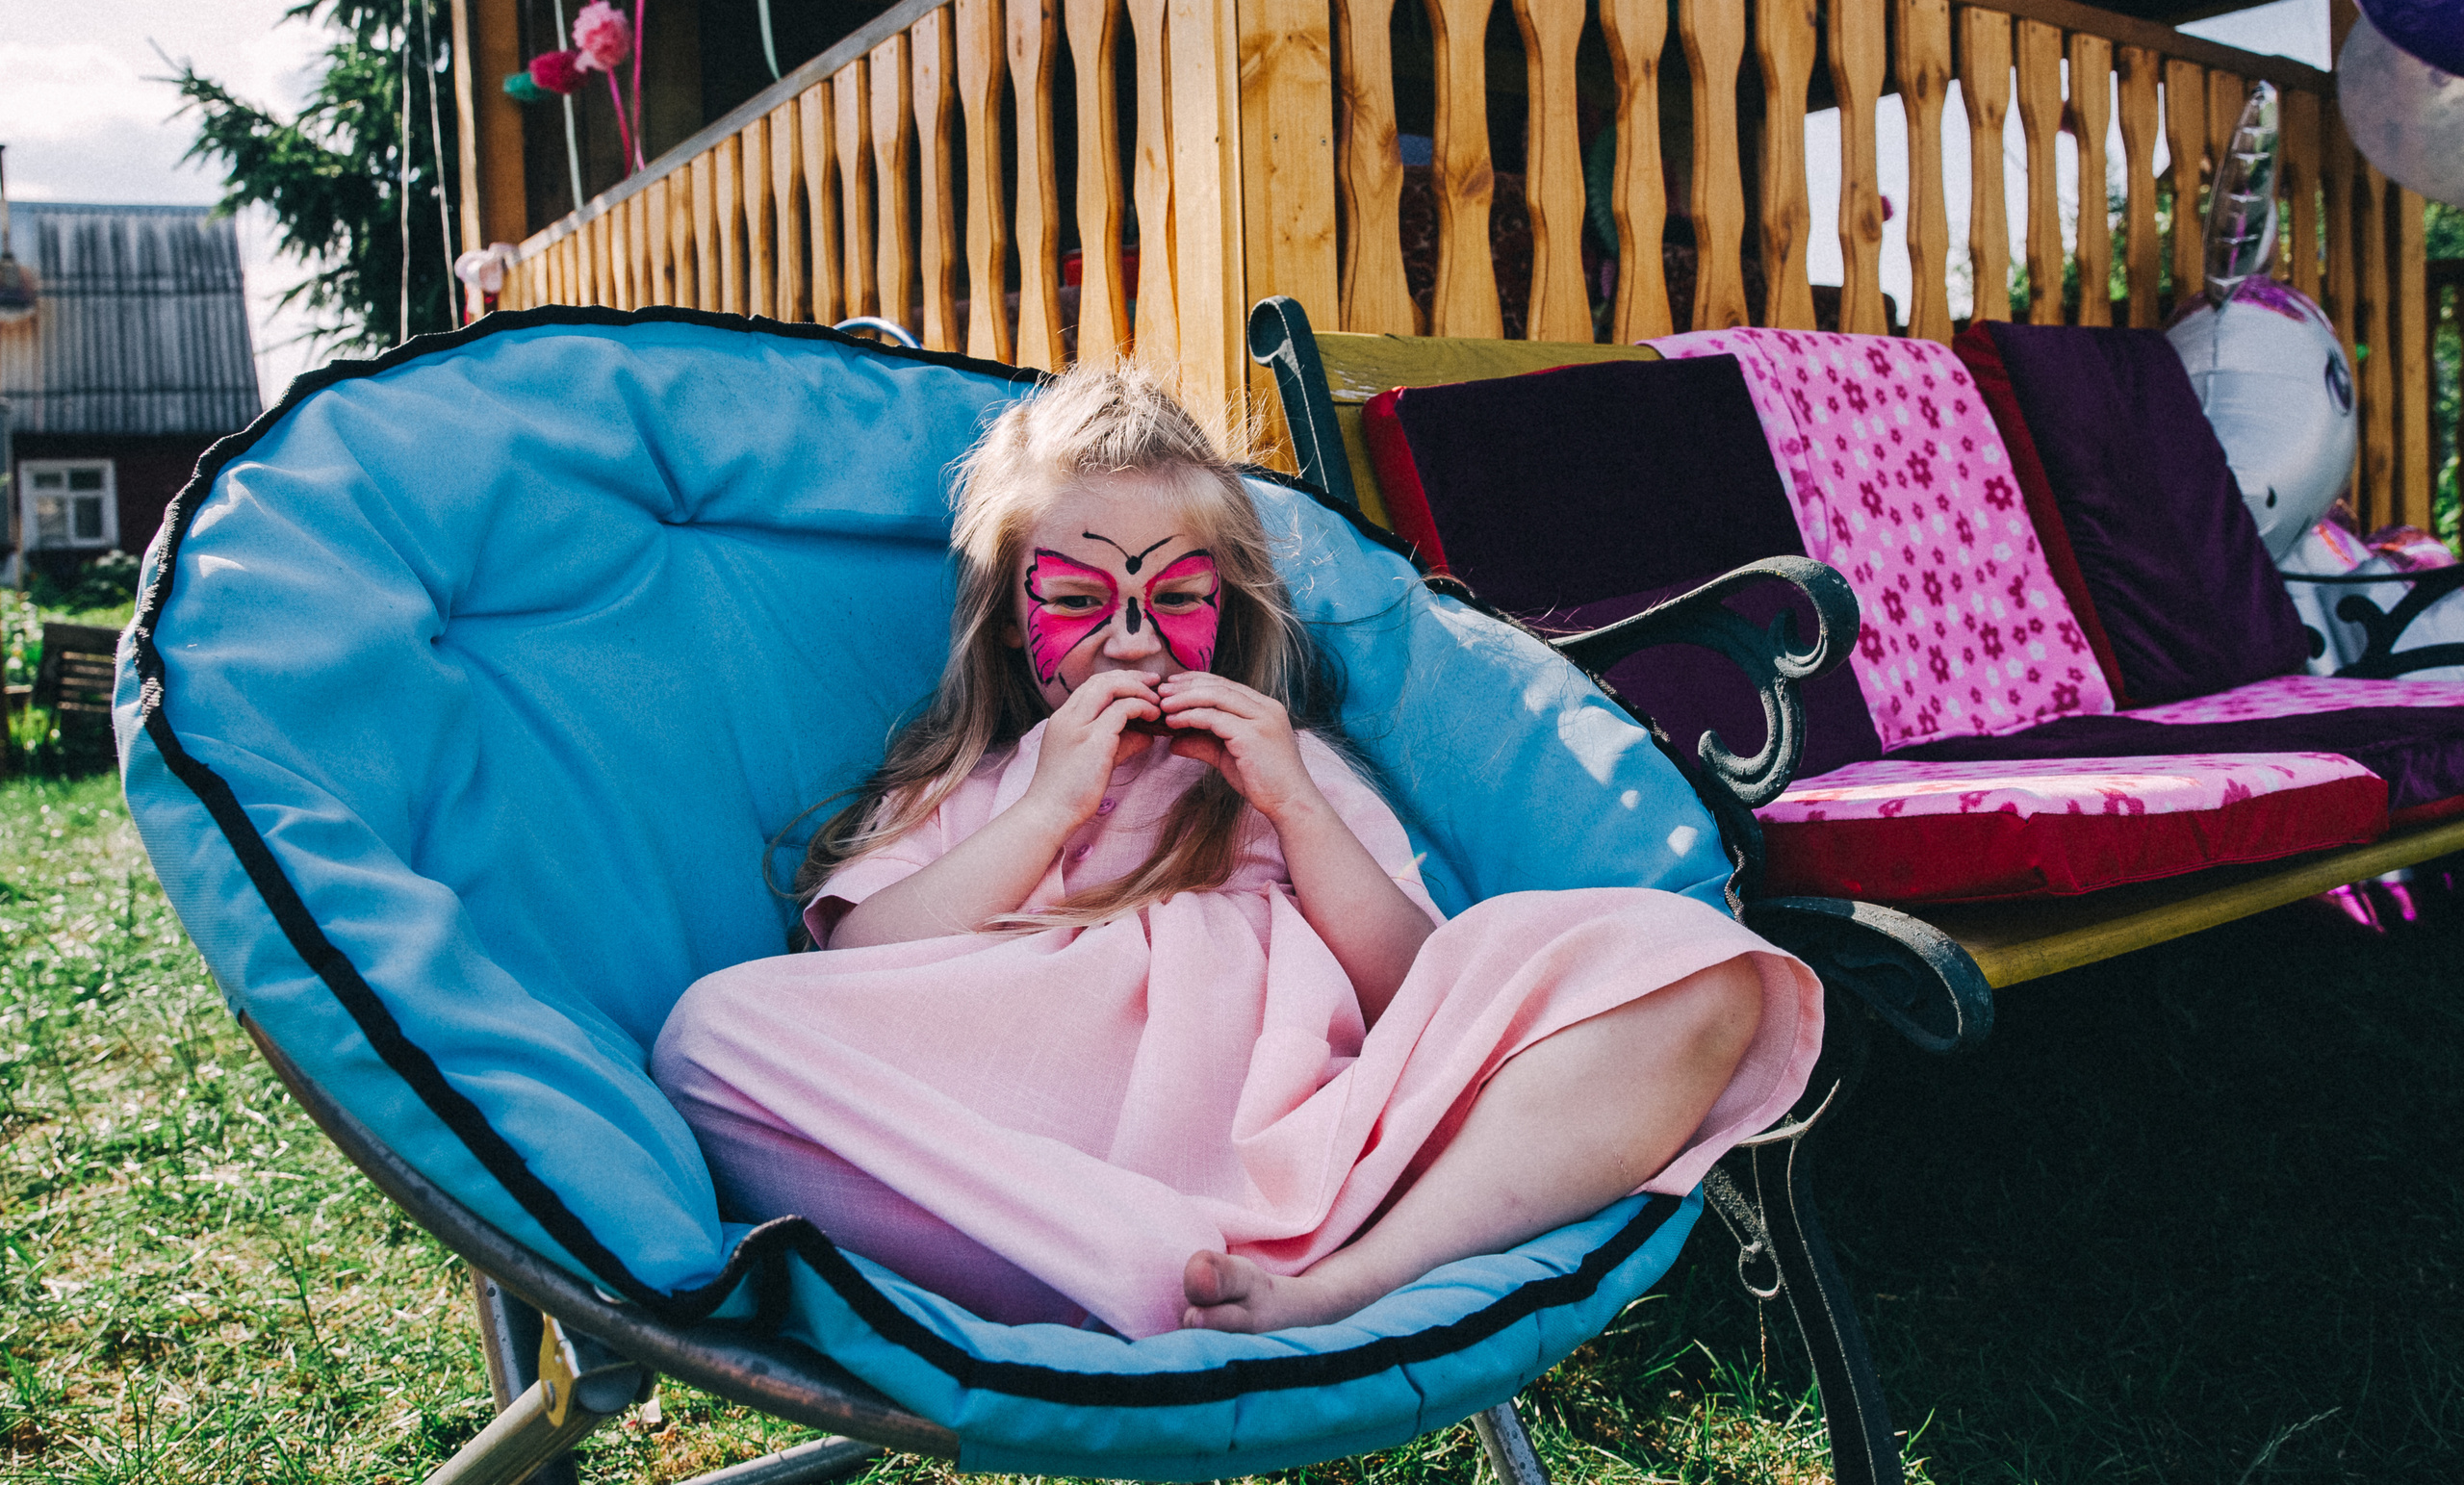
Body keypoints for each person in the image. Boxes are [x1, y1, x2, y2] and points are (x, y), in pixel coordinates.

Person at [652, 362, 1823, 1340]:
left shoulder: (1285, 768)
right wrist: (1045, 811)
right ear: (1013, 616)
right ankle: (1144, 1268)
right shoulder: (969, 784)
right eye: (1075, 596)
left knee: (1696, 964)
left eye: (1174, 596)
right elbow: (854, 966)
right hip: (1047, 1164)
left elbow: (1421, 991)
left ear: (1228, 604)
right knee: (711, 1038)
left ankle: (1347, 1280)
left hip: (1322, 1152)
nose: (1128, 638)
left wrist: (1299, 808)